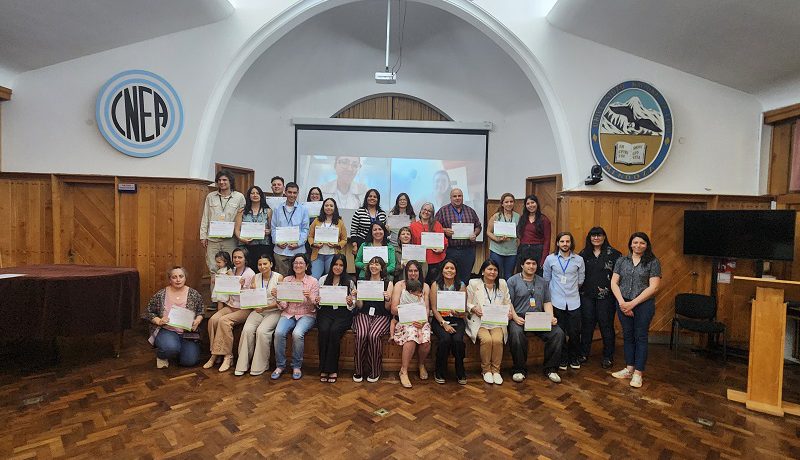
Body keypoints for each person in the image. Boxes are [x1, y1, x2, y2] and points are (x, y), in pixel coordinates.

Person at [610, 232, 661, 389]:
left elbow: (654, 287)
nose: (638, 245)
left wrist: (632, 304)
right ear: (631, 244)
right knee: (628, 336)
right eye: (635, 242)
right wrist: (622, 303)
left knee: (640, 337)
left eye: (642, 243)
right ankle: (629, 369)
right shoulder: (621, 260)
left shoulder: (653, 262)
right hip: (623, 302)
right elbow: (614, 282)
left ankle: (638, 373)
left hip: (643, 305)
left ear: (647, 245)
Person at [506, 255, 565, 383]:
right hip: (519, 318)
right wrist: (515, 317)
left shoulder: (543, 282)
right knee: (516, 334)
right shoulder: (512, 281)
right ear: (522, 265)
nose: (531, 266)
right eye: (528, 263)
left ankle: (551, 369)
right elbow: (508, 302)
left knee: (558, 333)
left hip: (539, 318)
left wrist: (550, 317)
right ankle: (519, 369)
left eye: (534, 263)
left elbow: (547, 302)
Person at [204, 247, 255, 372]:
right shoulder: (230, 271)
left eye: (240, 257)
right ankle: (215, 354)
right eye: (235, 257)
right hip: (231, 305)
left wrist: (242, 287)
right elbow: (224, 289)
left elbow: (252, 296)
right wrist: (218, 282)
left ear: (245, 259)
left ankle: (228, 356)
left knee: (224, 321)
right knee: (213, 320)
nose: (237, 260)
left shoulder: (250, 274)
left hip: (244, 308)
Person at [578, 227, 622, 368]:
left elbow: (620, 277)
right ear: (589, 238)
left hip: (607, 297)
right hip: (587, 296)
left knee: (606, 326)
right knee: (587, 325)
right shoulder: (583, 254)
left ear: (604, 237)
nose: (596, 238)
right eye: (593, 235)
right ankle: (583, 354)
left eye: (599, 235)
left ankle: (608, 356)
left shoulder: (615, 254)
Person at [234, 253, 283, 376]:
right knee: (247, 330)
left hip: (273, 311)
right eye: (260, 264)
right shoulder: (255, 277)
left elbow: (281, 302)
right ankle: (242, 364)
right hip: (257, 310)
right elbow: (248, 298)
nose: (262, 266)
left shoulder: (279, 277)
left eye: (265, 263)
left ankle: (260, 366)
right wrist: (249, 290)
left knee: (262, 331)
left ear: (271, 264)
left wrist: (266, 307)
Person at [271, 253, 319, 380]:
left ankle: (296, 366)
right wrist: (278, 297)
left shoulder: (313, 281)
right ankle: (280, 365)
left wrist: (309, 297)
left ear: (306, 266)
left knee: (297, 334)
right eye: (295, 263)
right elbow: (283, 305)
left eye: (301, 263)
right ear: (292, 266)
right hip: (289, 313)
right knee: (278, 333)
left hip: (307, 314)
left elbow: (314, 307)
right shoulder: (287, 280)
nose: (298, 265)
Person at [466, 259, 514, 385]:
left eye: (495, 270)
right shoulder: (474, 283)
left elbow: (508, 302)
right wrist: (473, 308)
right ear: (483, 271)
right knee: (487, 340)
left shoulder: (502, 284)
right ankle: (486, 370)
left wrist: (509, 313)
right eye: (489, 269)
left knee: (497, 340)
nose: (492, 272)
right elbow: (466, 302)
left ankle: (496, 371)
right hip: (480, 321)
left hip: (497, 322)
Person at [543, 232, 586, 371]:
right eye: (562, 241)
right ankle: (562, 358)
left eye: (567, 241)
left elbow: (581, 280)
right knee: (560, 332)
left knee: (574, 332)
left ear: (571, 243)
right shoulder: (550, 259)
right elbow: (546, 279)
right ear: (557, 243)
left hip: (574, 301)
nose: (565, 244)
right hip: (556, 300)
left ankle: (573, 357)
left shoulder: (579, 260)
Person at [145, 267, 204, 368]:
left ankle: (177, 350)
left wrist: (197, 321)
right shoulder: (161, 294)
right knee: (170, 348)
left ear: (185, 278)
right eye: (174, 277)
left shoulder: (194, 294)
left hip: (188, 332)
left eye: (181, 276)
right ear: (170, 280)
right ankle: (162, 355)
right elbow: (149, 312)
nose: (178, 280)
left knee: (189, 361)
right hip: (167, 330)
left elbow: (201, 311)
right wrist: (159, 321)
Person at [390, 261, 432, 388]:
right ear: (406, 272)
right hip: (404, 321)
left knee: (425, 341)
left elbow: (426, 308)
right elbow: (393, 309)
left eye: (416, 271)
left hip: (421, 321)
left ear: (420, 272)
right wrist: (409, 312)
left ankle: (421, 364)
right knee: (411, 336)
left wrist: (422, 321)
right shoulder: (399, 285)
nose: (413, 273)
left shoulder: (425, 286)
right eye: (410, 271)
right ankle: (403, 371)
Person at [352, 257, 394, 382]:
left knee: (373, 335)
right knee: (361, 334)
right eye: (371, 264)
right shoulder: (362, 282)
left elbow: (388, 308)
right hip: (364, 314)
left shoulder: (388, 283)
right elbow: (360, 306)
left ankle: (375, 370)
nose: (374, 266)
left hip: (381, 315)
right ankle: (358, 370)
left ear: (382, 268)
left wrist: (388, 299)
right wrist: (357, 297)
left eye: (377, 264)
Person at [317, 254, 356, 383]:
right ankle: (323, 368)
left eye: (341, 265)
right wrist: (317, 300)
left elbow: (354, 303)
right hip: (326, 312)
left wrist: (350, 302)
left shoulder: (349, 281)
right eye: (335, 264)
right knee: (324, 330)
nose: (338, 267)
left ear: (344, 267)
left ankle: (332, 369)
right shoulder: (323, 279)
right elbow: (318, 302)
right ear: (331, 265)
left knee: (334, 331)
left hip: (342, 314)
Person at [200, 169, 246, 274]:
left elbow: (243, 218)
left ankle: (230, 284)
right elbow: (205, 216)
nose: (221, 182)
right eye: (219, 180)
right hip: (213, 239)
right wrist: (203, 236)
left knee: (232, 266)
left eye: (225, 180)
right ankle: (214, 284)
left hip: (230, 239)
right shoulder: (210, 196)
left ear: (230, 181)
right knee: (213, 266)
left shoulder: (239, 197)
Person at [430, 259, 467, 384]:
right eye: (447, 268)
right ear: (442, 270)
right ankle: (440, 371)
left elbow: (463, 310)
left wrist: (459, 313)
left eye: (452, 268)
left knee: (458, 340)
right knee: (445, 339)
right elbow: (434, 308)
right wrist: (444, 324)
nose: (449, 270)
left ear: (456, 271)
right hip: (439, 319)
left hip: (457, 319)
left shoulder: (461, 285)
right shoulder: (435, 285)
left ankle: (460, 370)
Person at [435, 188, 482, 286]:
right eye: (454, 196)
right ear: (450, 198)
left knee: (465, 278)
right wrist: (444, 230)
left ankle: (463, 293)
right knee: (449, 277)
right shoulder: (443, 211)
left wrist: (475, 233)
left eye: (459, 196)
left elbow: (478, 226)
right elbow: (434, 227)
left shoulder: (470, 211)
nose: (457, 198)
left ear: (462, 197)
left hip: (467, 251)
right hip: (450, 250)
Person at [270, 182, 310, 276]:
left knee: (297, 278)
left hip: (298, 251)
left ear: (297, 193)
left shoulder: (303, 209)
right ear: (285, 192)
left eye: (295, 193)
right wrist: (277, 242)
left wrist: (298, 243)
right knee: (281, 278)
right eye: (290, 192)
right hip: (280, 251)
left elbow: (305, 229)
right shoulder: (277, 209)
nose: (292, 195)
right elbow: (273, 228)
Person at [308, 198, 348, 279]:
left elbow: (344, 239)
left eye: (331, 206)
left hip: (332, 255)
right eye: (326, 205)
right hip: (318, 255)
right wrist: (314, 244)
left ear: (334, 208)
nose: (328, 207)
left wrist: (337, 245)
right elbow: (310, 236)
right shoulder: (317, 220)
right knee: (314, 278)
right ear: (323, 207)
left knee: (331, 278)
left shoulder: (339, 221)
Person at [235, 185, 272, 272]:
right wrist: (242, 239)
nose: (255, 195)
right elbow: (237, 230)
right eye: (252, 193)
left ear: (261, 195)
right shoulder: (242, 211)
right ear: (249, 196)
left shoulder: (268, 211)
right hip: (246, 246)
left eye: (257, 193)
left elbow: (272, 228)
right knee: (247, 270)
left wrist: (269, 231)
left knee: (262, 269)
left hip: (263, 246)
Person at [410, 202, 448, 284]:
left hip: (435, 260)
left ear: (432, 214)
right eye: (424, 209)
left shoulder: (437, 225)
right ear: (420, 211)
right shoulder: (413, 226)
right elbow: (410, 242)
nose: (426, 212)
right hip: (419, 261)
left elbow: (443, 241)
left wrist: (441, 249)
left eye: (429, 211)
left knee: (434, 284)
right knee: (419, 284)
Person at [486, 192, 520, 281]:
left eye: (511, 202)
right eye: (506, 202)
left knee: (509, 275)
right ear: (502, 204)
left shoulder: (517, 216)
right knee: (496, 274)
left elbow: (519, 233)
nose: (509, 204)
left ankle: (507, 290)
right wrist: (497, 239)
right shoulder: (496, 216)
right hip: (497, 250)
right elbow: (488, 232)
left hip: (511, 251)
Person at [517, 194, 552, 271]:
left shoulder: (544, 219)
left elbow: (547, 240)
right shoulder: (522, 218)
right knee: (522, 274)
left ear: (537, 204)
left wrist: (544, 259)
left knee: (536, 275)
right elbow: (519, 235)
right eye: (528, 203)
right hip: (523, 250)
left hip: (537, 251)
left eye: (532, 202)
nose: (530, 205)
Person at [349, 188, 387, 255]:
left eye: (375, 197)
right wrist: (354, 245)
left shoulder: (382, 213)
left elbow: (383, 230)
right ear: (366, 198)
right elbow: (353, 230)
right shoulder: (359, 212)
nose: (372, 198)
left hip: (378, 244)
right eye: (370, 196)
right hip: (361, 243)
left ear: (378, 199)